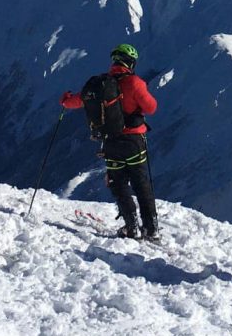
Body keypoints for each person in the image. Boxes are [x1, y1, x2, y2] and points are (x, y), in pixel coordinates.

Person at [61, 43, 160, 240]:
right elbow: (151, 108)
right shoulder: (135, 83)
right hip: (134, 142)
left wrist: (65, 100)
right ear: (131, 63)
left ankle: (131, 226)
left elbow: (77, 101)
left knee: (118, 184)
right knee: (141, 184)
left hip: (111, 142)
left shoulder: (100, 85)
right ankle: (151, 228)